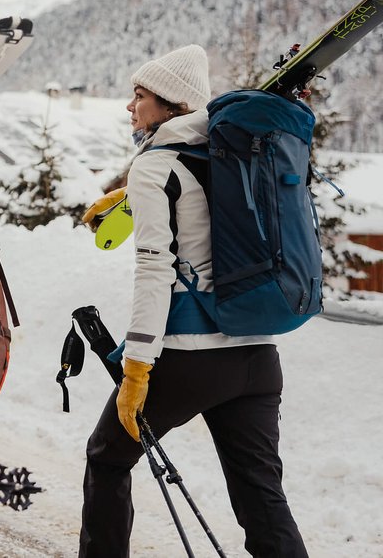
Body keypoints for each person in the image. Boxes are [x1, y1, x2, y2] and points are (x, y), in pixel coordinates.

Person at [79, 44, 308, 558]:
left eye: (139, 97)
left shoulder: (156, 165)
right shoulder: (233, 157)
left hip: (190, 357)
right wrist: (129, 198)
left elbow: (155, 270)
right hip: (258, 357)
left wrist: (137, 367)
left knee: (108, 457)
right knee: (261, 496)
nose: (130, 107)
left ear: (172, 106)